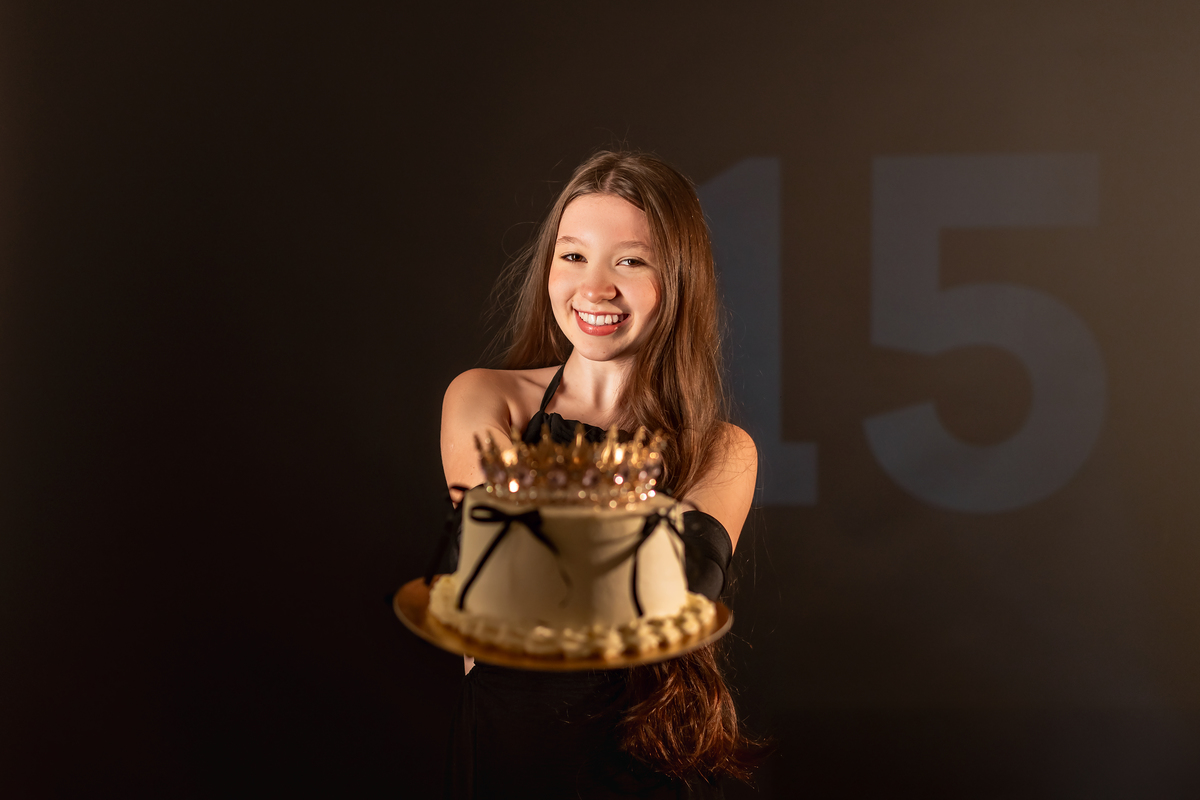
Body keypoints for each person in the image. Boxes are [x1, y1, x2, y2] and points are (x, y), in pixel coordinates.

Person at [439, 150, 759, 798]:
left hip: (646, 764)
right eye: (573, 255)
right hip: (508, 761)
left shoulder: (722, 449)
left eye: (630, 261)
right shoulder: (484, 396)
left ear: (679, 278)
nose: (595, 287)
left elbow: (677, 593)